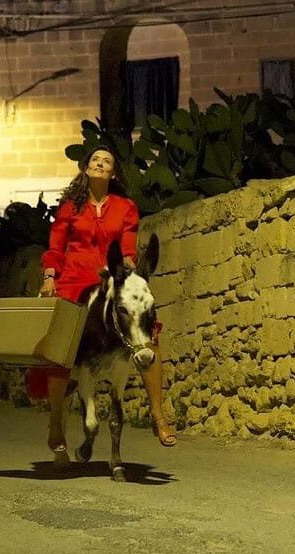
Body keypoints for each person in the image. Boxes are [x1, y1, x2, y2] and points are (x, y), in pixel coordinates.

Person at [29, 146, 177, 467]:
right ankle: (56, 424)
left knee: (148, 331)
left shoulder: (125, 207)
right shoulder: (70, 207)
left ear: (113, 173)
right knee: (62, 348)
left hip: (110, 278)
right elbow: (56, 245)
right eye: (94, 159)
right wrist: (50, 275)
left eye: (106, 161)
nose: (99, 163)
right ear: (86, 168)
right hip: (74, 279)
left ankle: (158, 414)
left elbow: (127, 247)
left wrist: (130, 275)